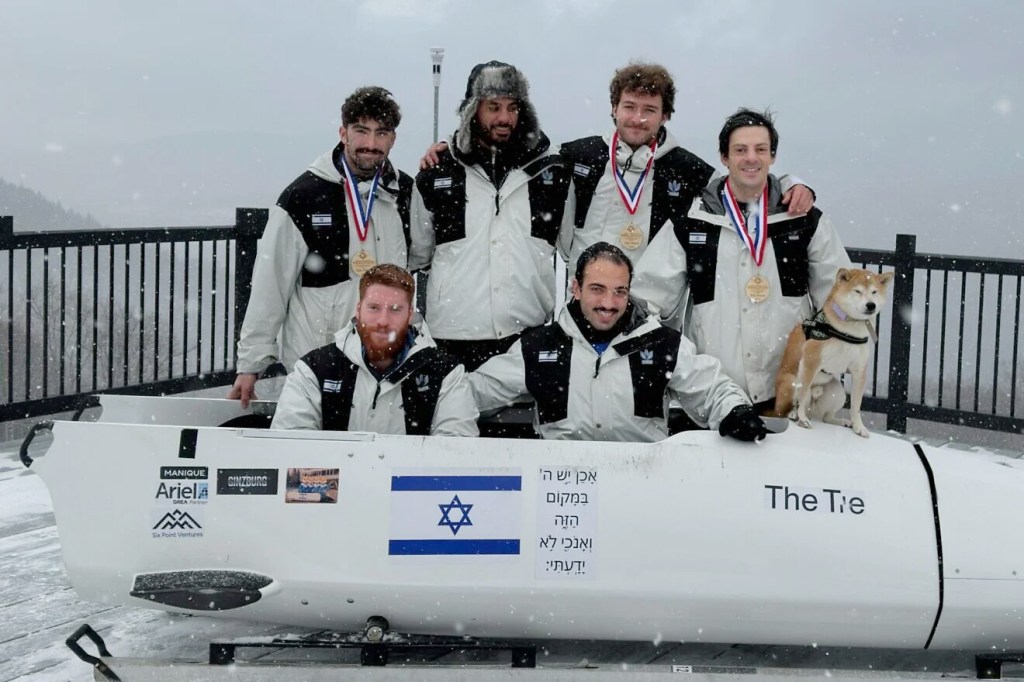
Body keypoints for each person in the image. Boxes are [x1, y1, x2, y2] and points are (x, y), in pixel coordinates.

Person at [632, 108, 852, 412]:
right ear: (724, 158)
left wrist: (822, 367)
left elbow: (843, 304)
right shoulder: (692, 222)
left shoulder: (804, 220)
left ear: (772, 156)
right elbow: (647, 303)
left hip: (798, 397)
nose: (751, 158)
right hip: (714, 401)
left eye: (761, 149)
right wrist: (688, 371)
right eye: (740, 150)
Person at [468, 242, 769, 442]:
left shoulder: (661, 343)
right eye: (597, 289)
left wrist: (735, 410)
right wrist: (434, 401)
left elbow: (712, 389)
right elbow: (474, 392)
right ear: (576, 288)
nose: (609, 303)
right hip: (562, 486)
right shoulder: (539, 346)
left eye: (619, 291)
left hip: (639, 480)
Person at [230, 86, 414, 407]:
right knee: (313, 455)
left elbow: (426, 259)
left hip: (388, 362)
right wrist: (251, 364)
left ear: (393, 139)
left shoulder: (405, 194)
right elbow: (270, 285)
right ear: (343, 133)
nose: (371, 144)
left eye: (381, 133)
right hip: (317, 362)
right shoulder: (303, 196)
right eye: (361, 131)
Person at [558, 62, 814, 268]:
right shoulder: (580, 155)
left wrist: (791, 185)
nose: (638, 118)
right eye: (629, 107)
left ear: (665, 115)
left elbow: (742, 186)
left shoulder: (689, 169)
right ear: (614, 108)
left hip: (652, 310)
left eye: (649, 109)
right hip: (583, 301)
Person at [409, 61, 572, 372]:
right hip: (451, 338)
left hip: (527, 335)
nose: (504, 118)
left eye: (513, 107)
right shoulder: (436, 174)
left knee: (525, 422)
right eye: (493, 107)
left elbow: (574, 251)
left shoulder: (551, 172)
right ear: (473, 110)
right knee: (452, 420)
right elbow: (413, 258)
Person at [271, 264, 479, 436]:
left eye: (395, 310)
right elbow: (291, 451)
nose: (383, 321)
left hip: (409, 486)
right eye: (374, 308)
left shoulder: (446, 373)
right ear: (358, 310)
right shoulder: (314, 369)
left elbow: (455, 455)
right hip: (338, 486)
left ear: (410, 315)